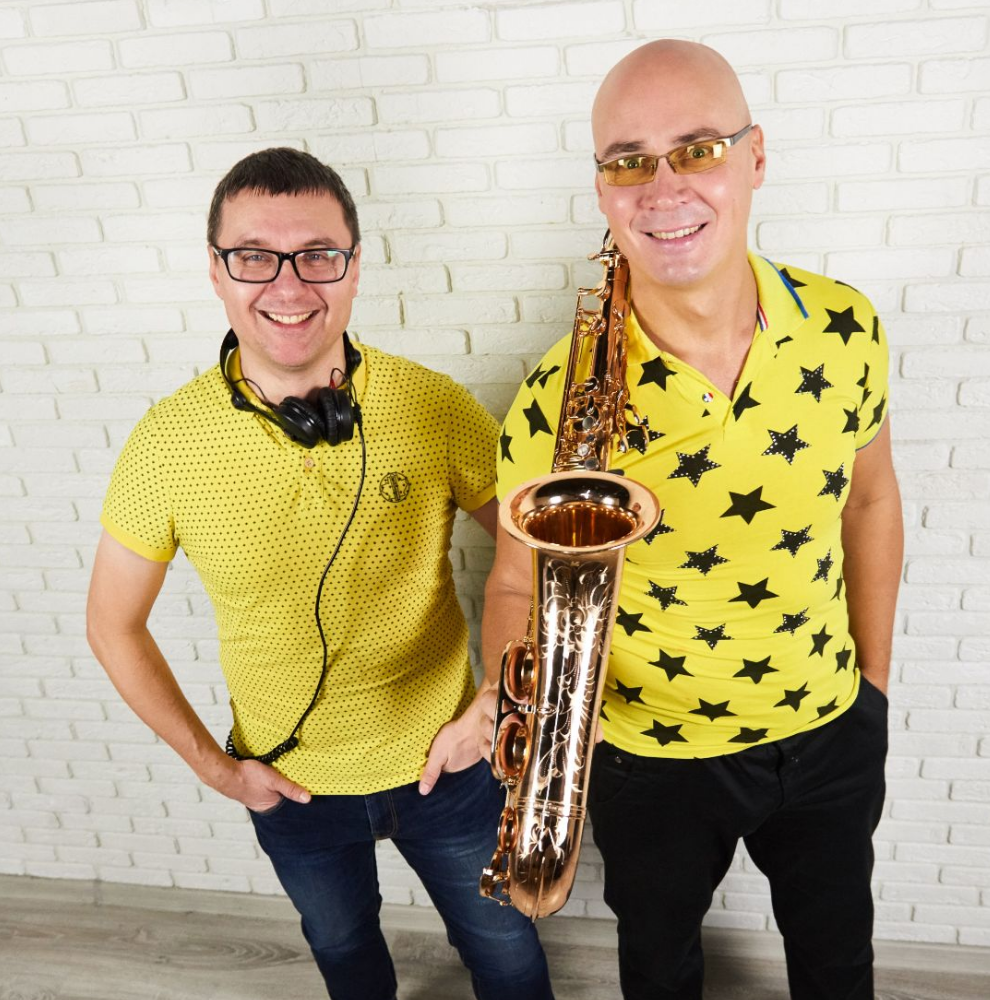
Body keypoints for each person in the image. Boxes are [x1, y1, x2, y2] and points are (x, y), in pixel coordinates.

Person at [484, 41, 903, 1000]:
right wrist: (516, 711)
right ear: (602, 190)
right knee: (659, 967)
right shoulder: (555, 396)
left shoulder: (847, 328)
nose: (663, 188)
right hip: (647, 759)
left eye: (699, 149)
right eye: (629, 161)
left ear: (756, 157)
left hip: (829, 726)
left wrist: (872, 691)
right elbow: (512, 581)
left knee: (838, 962)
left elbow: (872, 499)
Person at [87, 147, 553, 1000]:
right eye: (254, 257)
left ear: (355, 266)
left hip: (450, 765)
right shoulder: (165, 445)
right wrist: (216, 768)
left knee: (509, 955)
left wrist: (495, 708)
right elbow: (111, 625)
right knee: (344, 953)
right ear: (216, 272)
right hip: (289, 785)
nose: (289, 285)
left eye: (317, 255)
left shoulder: (433, 405)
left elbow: (538, 559)